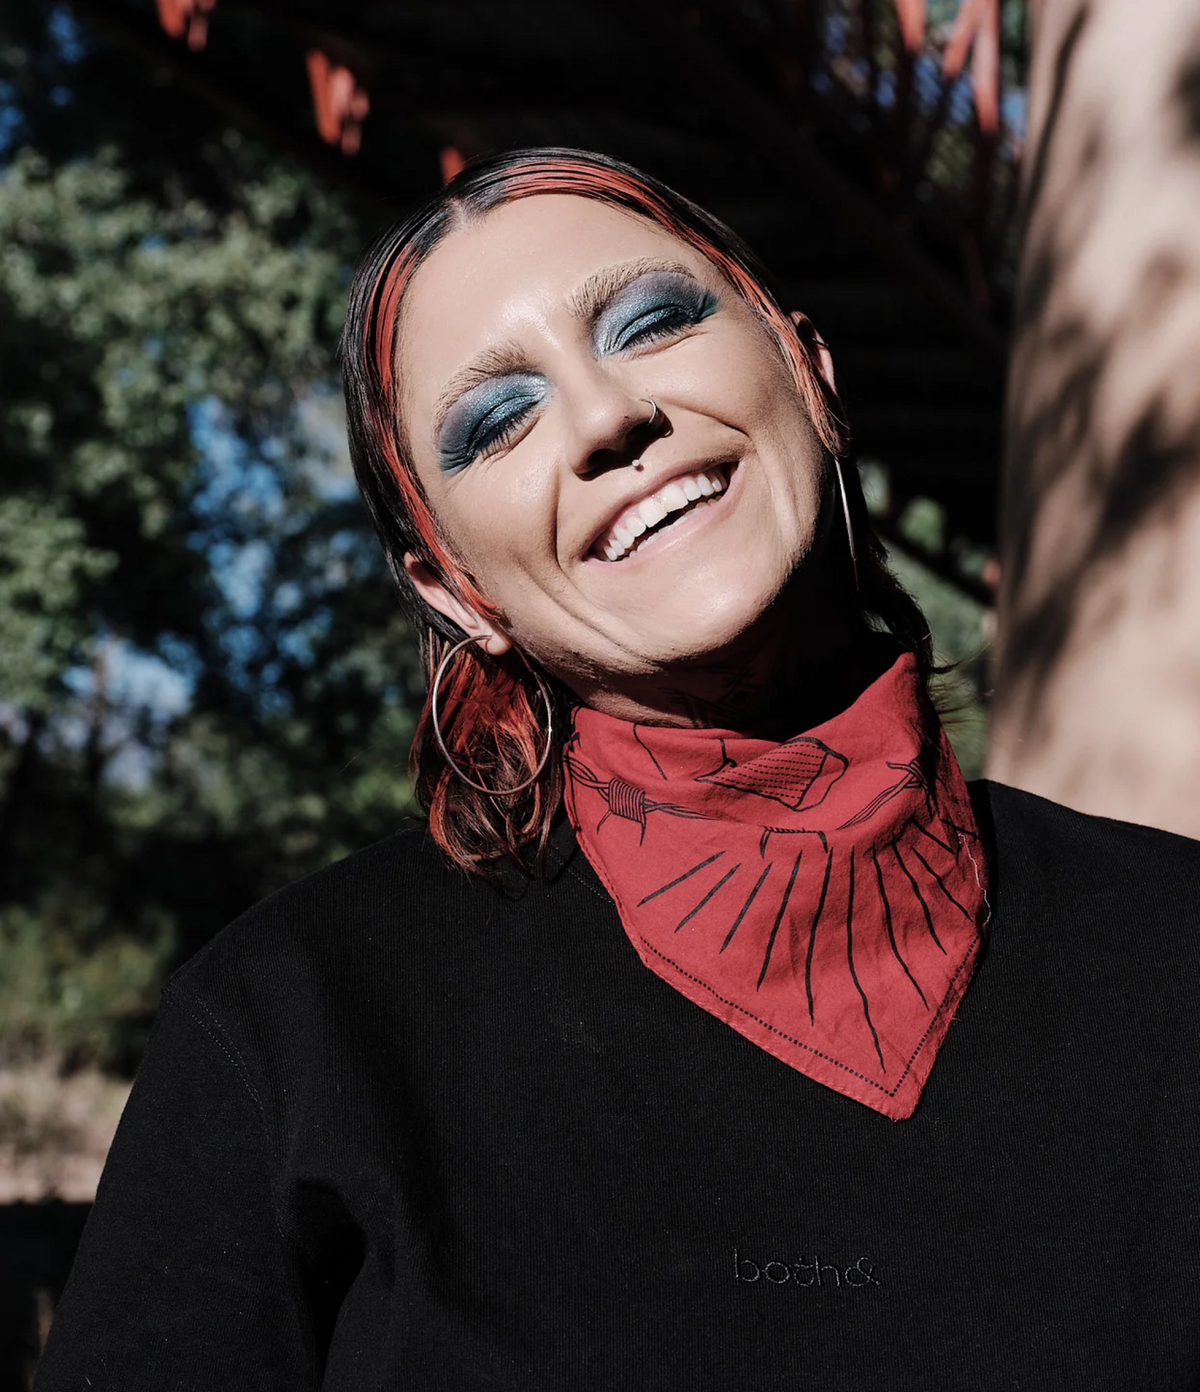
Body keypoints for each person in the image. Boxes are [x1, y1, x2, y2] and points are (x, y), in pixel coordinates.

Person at [34, 148, 1200, 1391]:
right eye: (496, 421)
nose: (605, 419)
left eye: (651, 321)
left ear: (809, 372)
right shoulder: (287, 1029)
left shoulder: (1176, 942)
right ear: (454, 591)